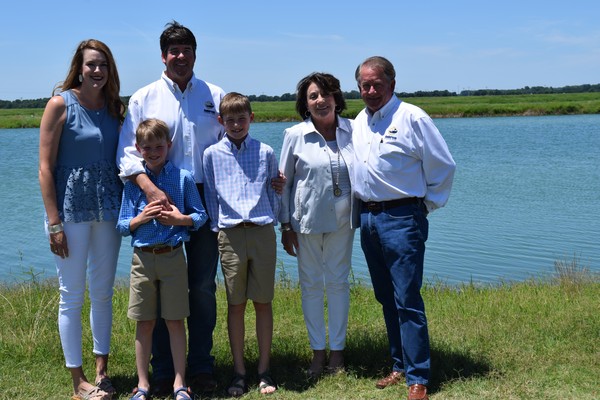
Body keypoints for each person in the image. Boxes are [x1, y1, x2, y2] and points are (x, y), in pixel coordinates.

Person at [116, 21, 224, 396]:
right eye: (173, 51)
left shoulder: (215, 95)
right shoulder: (144, 97)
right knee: (161, 291)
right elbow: (127, 153)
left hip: (202, 199)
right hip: (157, 195)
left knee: (202, 289)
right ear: (163, 56)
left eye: (187, 50)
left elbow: (232, 145)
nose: (180, 57)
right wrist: (148, 190)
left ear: (195, 53)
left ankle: (200, 368)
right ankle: (162, 372)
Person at [352, 56, 456, 400]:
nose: (370, 91)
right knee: (386, 297)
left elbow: (442, 167)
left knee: (407, 298)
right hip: (368, 219)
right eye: (364, 85)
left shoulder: (411, 117)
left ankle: (419, 378)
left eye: (377, 85)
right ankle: (398, 365)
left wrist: (420, 208)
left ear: (391, 85)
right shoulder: (358, 123)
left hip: (402, 219)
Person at [39, 39, 124, 400]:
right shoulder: (60, 104)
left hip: (108, 211)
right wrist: (54, 222)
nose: (97, 71)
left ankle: (102, 372)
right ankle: (78, 381)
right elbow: (44, 168)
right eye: (91, 64)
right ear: (79, 66)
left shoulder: (116, 108)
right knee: (72, 295)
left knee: (103, 293)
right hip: (70, 213)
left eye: (103, 65)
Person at [117, 119, 208, 400]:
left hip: (172, 257)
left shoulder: (182, 178)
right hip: (142, 259)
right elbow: (121, 226)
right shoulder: (134, 185)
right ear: (138, 149)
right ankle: (143, 384)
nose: (154, 152)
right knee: (144, 322)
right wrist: (140, 218)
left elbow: (200, 215)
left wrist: (179, 219)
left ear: (169, 146)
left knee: (174, 320)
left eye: (159, 146)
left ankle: (179, 383)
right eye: (148, 148)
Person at [278, 72, 358, 378]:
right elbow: (283, 184)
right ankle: (317, 353)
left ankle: (337, 354)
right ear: (305, 105)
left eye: (326, 94)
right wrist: (285, 225)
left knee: (338, 284)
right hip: (305, 222)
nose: (320, 101)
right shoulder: (294, 135)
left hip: (343, 221)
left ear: (337, 99)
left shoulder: (353, 130)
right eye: (313, 96)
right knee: (311, 286)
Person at [202, 93, 281, 397]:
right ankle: (239, 372)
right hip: (230, 234)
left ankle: (264, 370)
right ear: (221, 121)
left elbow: (274, 190)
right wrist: (215, 227)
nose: (236, 124)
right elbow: (210, 194)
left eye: (242, 118)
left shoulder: (266, 152)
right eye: (230, 119)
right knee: (236, 305)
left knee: (263, 303)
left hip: (261, 231)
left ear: (252, 118)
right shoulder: (212, 155)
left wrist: (275, 218)